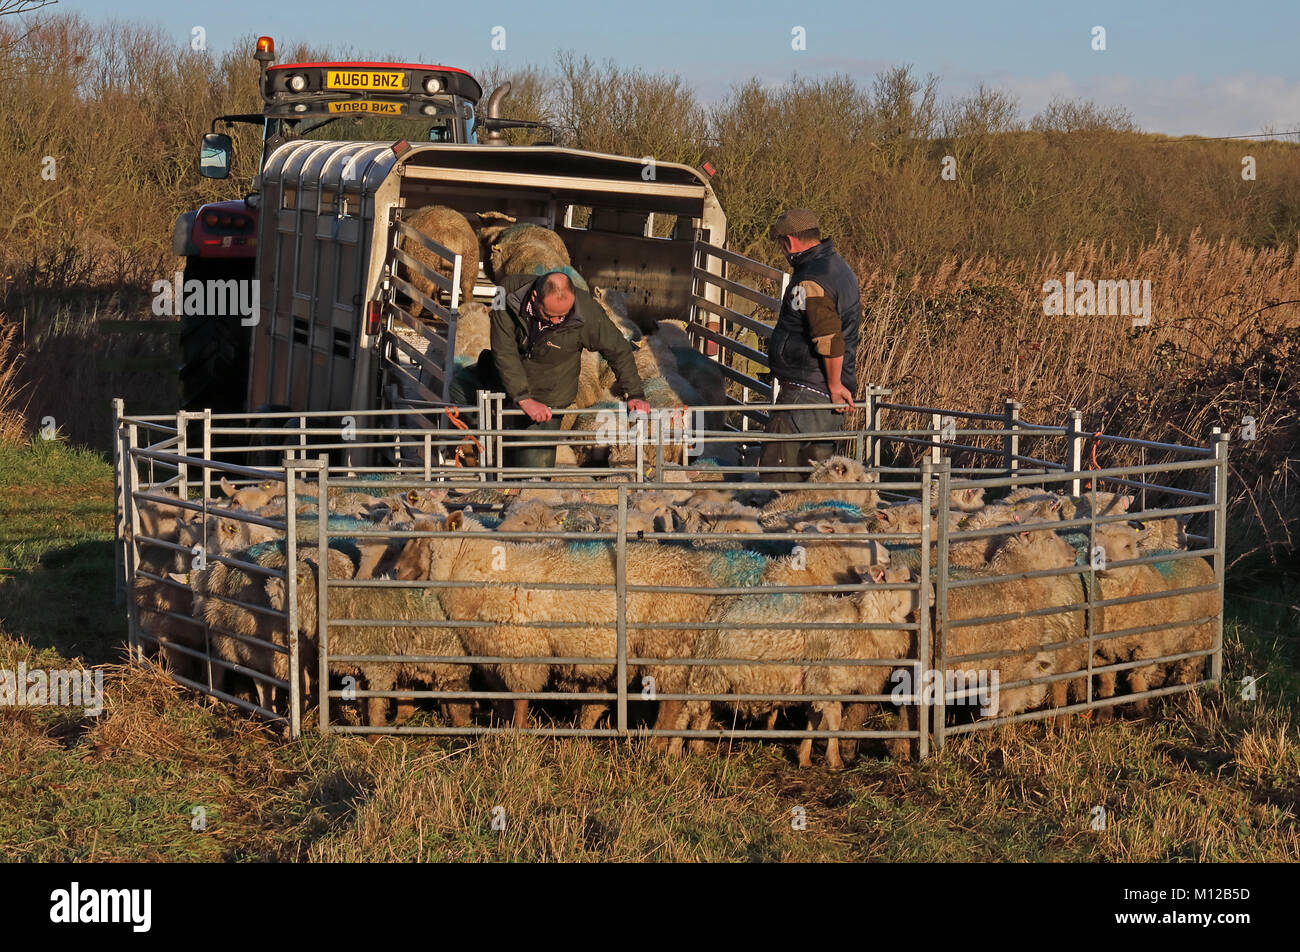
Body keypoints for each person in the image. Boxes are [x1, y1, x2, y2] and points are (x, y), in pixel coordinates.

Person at [449, 270, 650, 470]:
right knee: (458, 387)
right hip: (504, 376)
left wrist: (634, 393)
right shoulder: (507, 292)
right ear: (535, 297)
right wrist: (522, 397)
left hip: (548, 397)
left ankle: (513, 464)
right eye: (550, 315)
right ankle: (486, 443)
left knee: (532, 475)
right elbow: (504, 349)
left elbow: (619, 349)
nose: (555, 322)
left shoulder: (586, 312)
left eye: (562, 316)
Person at [759, 208, 860, 480]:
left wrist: (835, 384)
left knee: (776, 476)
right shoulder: (838, 267)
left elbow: (828, 338)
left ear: (789, 242)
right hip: (822, 397)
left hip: (805, 396)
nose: (782, 251)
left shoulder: (810, 280)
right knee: (817, 480)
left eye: (781, 245)